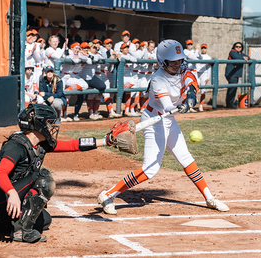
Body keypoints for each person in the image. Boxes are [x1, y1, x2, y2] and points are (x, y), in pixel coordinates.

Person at [97, 39, 229, 215]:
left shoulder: (184, 69)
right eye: (172, 61)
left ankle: (209, 198)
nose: (177, 64)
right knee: (150, 169)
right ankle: (108, 194)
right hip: (154, 119)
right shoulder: (158, 79)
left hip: (169, 121)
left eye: (179, 60)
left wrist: (190, 95)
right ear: (162, 61)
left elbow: (191, 82)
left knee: (186, 158)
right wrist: (180, 107)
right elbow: (167, 106)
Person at [0, 103, 107, 243]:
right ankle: (21, 232)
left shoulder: (40, 144)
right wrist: (12, 193)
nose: (51, 127)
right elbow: (0, 173)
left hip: (3, 204)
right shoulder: (16, 146)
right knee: (43, 178)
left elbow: (73, 145)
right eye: (49, 123)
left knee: (44, 221)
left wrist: (106, 141)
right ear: (39, 125)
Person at [225, 42, 249, 109]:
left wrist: (245, 57)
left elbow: (248, 57)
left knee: (233, 88)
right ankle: (230, 103)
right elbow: (236, 57)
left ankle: (229, 103)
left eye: (240, 47)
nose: (238, 48)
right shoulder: (232, 52)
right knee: (232, 88)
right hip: (231, 73)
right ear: (234, 47)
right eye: (237, 46)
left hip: (236, 74)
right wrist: (244, 57)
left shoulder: (241, 53)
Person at [118, 43, 140, 117]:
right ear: (121, 49)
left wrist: (128, 58)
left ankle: (127, 110)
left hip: (129, 77)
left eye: (127, 48)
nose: (126, 49)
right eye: (125, 48)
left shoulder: (129, 56)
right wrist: (127, 58)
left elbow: (134, 59)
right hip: (122, 77)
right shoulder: (119, 54)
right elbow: (121, 57)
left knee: (130, 92)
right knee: (118, 93)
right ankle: (118, 110)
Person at [197, 44, 212, 112]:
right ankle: (191, 105)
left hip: (204, 74)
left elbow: (209, 68)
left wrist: (207, 77)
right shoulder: (197, 55)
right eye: (202, 48)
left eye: (205, 48)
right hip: (197, 74)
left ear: (206, 49)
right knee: (194, 90)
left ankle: (201, 106)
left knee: (203, 91)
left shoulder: (208, 57)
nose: (203, 49)